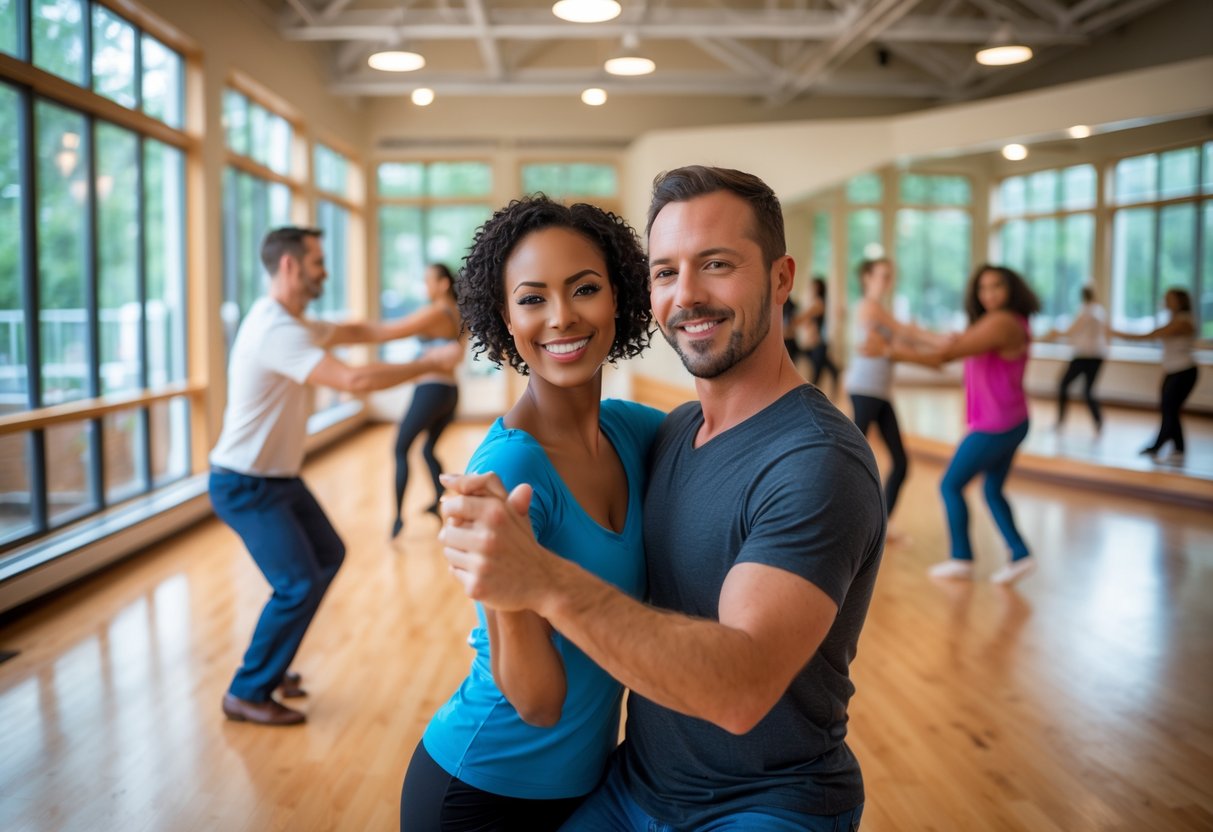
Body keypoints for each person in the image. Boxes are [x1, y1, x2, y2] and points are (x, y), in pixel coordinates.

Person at [439, 166, 883, 830]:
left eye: (716, 265)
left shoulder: (815, 461)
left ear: (781, 277)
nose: (689, 295)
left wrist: (542, 581)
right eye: (667, 272)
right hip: (631, 789)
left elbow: (739, 690)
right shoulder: (668, 432)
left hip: (766, 805)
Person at [399, 197, 661, 830]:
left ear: (620, 298)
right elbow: (539, 703)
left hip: (586, 786)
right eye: (533, 298)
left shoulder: (633, 432)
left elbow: (726, 430)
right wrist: (508, 581)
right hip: (478, 793)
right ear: (505, 320)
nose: (562, 318)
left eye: (585, 289)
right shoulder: (510, 471)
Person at [210, 226, 458, 726]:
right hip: (245, 483)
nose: (325, 270)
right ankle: (246, 691)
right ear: (289, 266)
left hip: (277, 479)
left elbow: (363, 332)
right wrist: (428, 361)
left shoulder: (291, 321)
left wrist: (423, 322)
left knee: (327, 556)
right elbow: (355, 380)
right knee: (298, 583)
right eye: (318, 262)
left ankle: (271, 668)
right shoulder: (277, 331)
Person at [904, 265, 1040, 585]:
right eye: (983, 288)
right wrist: (918, 336)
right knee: (992, 489)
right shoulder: (996, 322)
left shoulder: (1002, 322)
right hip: (1013, 419)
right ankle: (1020, 554)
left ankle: (961, 559)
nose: (989, 293)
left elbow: (945, 356)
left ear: (1011, 289)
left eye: (997, 286)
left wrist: (893, 347)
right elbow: (952, 345)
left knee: (950, 485)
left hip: (996, 424)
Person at [846, 257, 946, 535]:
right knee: (851, 462)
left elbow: (902, 344)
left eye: (890, 276)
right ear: (867, 278)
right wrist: (938, 342)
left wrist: (935, 352)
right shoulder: (869, 307)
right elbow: (905, 333)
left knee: (900, 463)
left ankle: (881, 526)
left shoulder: (882, 311)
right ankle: (840, 521)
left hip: (880, 393)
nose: (887, 281)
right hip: (864, 391)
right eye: (881, 275)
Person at [389, 263, 463, 540]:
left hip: (430, 390)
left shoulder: (435, 313)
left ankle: (397, 518)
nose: (425, 286)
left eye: (428, 280)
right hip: (450, 392)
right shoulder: (458, 314)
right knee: (427, 449)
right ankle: (439, 501)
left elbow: (398, 330)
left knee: (400, 448)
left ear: (444, 283)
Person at [1111, 287, 1199, 464]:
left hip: (1184, 371)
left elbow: (1154, 334)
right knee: (1169, 409)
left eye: (1169, 298)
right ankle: (1174, 447)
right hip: (1173, 370)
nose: (1166, 301)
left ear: (1180, 301)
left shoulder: (1184, 321)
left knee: (1170, 409)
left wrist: (1119, 334)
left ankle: (1161, 445)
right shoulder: (1173, 319)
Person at [1050, 285, 1107, 433]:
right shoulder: (1099, 310)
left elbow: (1072, 330)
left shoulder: (1087, 311)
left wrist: (1056, 333)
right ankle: (1098, 420)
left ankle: (1061, 421)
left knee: (1064, 385)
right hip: (1097, 354)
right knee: (1088, 391)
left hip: (1084, 355)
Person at [802, 275, 840, 395]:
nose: (811, 289)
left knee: (816, 375)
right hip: (815, 343)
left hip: (817, 342)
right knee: (828, 369)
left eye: (813, 287)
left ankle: (812, 396)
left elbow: (803, 319)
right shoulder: (817, 302)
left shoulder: (818, 303)